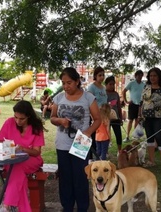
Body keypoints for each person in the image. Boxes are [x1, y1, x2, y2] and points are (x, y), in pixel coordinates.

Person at [50, 67, 101, 212]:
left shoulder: (88, 98)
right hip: (62, 143)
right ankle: (67, 207)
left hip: (81, 142)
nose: (66, 86)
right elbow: (52, 118)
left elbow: (97, 119)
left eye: (69, 83)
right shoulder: (58, 97)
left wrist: (88, 132)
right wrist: (60, 120)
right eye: (63, 83)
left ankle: (82, 207)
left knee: (80, 177)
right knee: (65, 177)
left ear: (77, 81)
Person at [0, 100, 45, 212]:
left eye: (21, 118)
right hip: (11, 159)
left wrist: (23, 149)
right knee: (18, 174)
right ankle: (19, 208)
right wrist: (7, 146)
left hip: (31, 159)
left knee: (16, 168)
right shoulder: (9, 122)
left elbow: (36, 152)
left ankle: (7, 205)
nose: (17, 121)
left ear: (28, 116)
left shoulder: (36, 127)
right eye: (16, 117)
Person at [139, 67, 161, 172]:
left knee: (159, 138)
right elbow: (141, 102)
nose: (152, 78)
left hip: (159, 117)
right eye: (150, 76)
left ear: (159, 76)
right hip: (147, 117)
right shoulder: (146, 87)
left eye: (155, 76)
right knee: (150, 139)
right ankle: (151, 161)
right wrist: (140, 114)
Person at [87, 66, 107, 158]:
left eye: (103, 75)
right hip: (93, 116)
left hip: (103, 116)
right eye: (100, 75)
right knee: (93, 136)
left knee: (101, 136)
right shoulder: (91, 87)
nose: (102, 77)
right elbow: (89, 101)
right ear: (95, 76)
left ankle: (100, 154)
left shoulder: (103, 88)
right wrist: (92, 115)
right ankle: (91, 156)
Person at [122, 70, 145, 142]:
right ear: (135, 76)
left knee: (137, 121)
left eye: (141, 76)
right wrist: (125, 101)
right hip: (132, 104)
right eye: (139, 76)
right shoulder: (131, 83)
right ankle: (127, 136)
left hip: (140, 105)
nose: (140, 77)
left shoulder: (143, 84)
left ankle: (136, 136)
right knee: (130, 121)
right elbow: (124, 91)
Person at [105, 75, 123, 152]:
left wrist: (121, 118)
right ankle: (105, 151)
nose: (112, 86)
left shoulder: (116, 94)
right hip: (105, 118)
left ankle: (120, 151)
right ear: (106, 84)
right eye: (110, 84)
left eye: (113, 84)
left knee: (118, 134)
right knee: (105, 135)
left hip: (115, 118)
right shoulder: (103, 93)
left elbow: (119, 107)